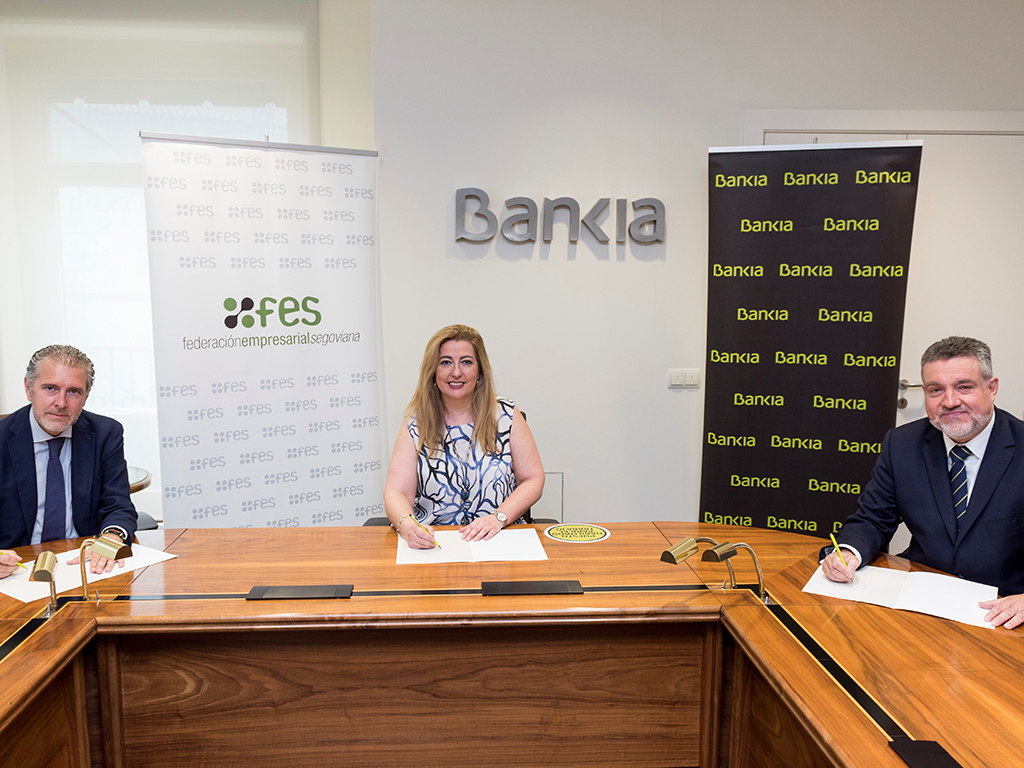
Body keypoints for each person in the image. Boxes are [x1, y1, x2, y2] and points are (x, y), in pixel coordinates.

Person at [821, 336, 1024, 629]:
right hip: (919, 599)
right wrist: (848, 553)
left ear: (991, 389)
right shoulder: (901, 444)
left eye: (964, 387)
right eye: (936, 390)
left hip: (1001, 611)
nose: (950, 401)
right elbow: (872, 520)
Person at [384, 325, 544, 549]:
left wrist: (498, 518)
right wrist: (408, 527)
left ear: (480, 370)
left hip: (500, 538)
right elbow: (396, 492)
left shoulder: (507, 415)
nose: (456, 372)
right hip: (435, 545)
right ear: (433, 370)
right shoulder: (416, 424)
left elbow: (533, 479)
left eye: (467, 362)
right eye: (446, 362)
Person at [0, 345, 138, 579]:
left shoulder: (106, 434)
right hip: (17, 568)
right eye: (50, 388)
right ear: (28, 388)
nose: (61, 402)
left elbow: (118, 504)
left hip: (83, 564)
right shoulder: (3, 439)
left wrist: (111, 536)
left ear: (86, 395)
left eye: (73, 391)